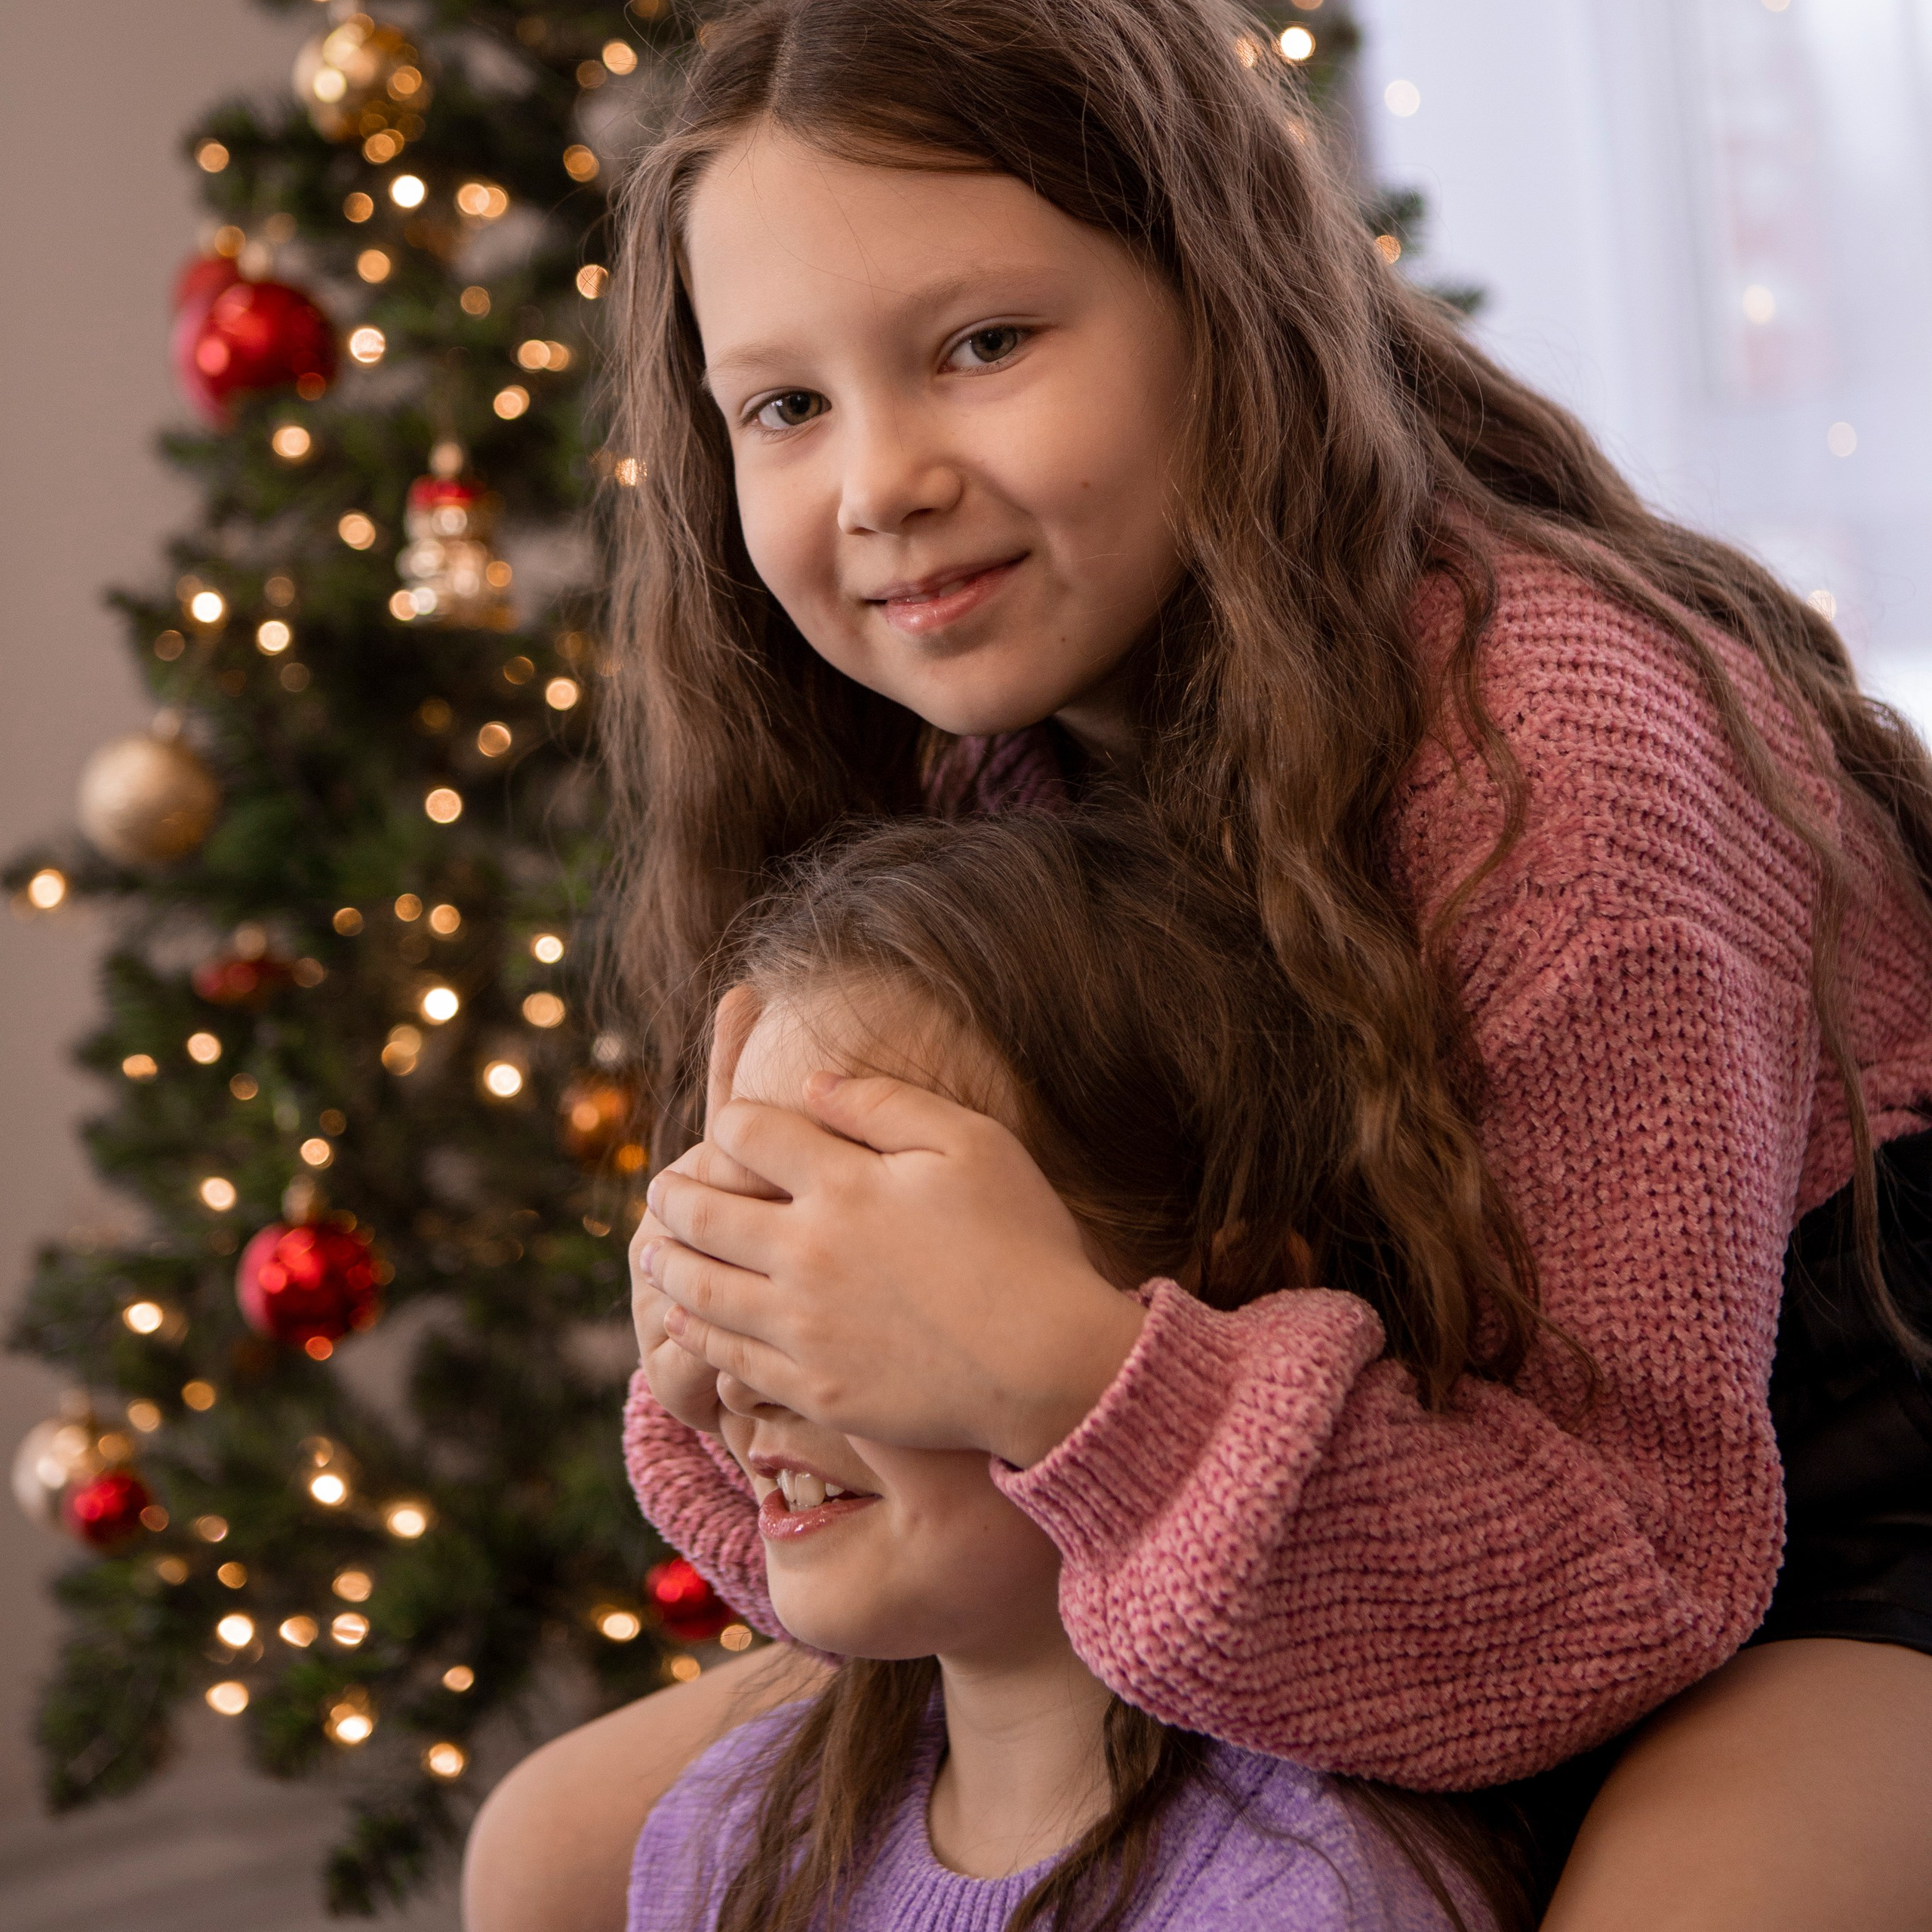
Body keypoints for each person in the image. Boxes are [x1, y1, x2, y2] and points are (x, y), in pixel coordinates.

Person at [461, 2, 1932, 1927]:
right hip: (1290, 1490)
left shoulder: (1560, 765)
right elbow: (808, 1504)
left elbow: (1625, 1588)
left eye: (981, 344)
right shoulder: (985, 761)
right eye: (783, 407)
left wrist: (1057, 1366)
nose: (878, 478)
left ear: (1217, 308)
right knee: (558, 1851)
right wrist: (750, 1309)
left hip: (1783, 1538)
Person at [628, 809, 1516, 1931]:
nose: (748, 1372)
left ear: (1211, 1307)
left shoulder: (1301, 1894)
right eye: (737, 1249)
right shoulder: (721, 1834)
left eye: (863, 1267)